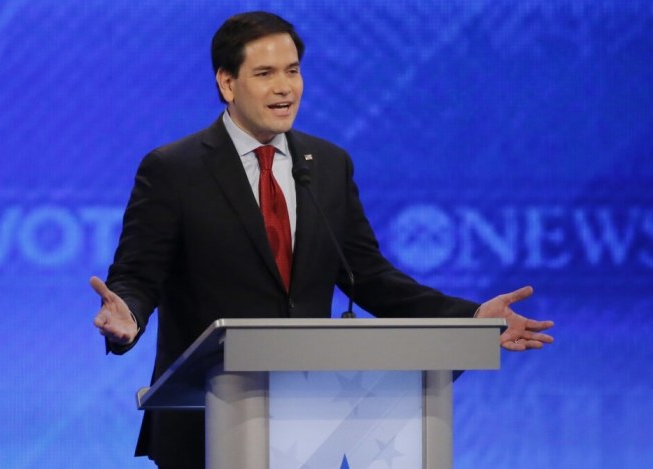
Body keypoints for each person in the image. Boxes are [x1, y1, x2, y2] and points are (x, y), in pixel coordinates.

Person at [91, 11, 554, 468]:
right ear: (227, 84)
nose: (285, 87)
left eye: (293, 71)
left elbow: (368, 277)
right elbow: (137, 274)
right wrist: (127, 314)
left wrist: (473, 319)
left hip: (311, 424)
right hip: (207, 425)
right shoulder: (175, 169)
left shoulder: (327, 164)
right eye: (265, 73)